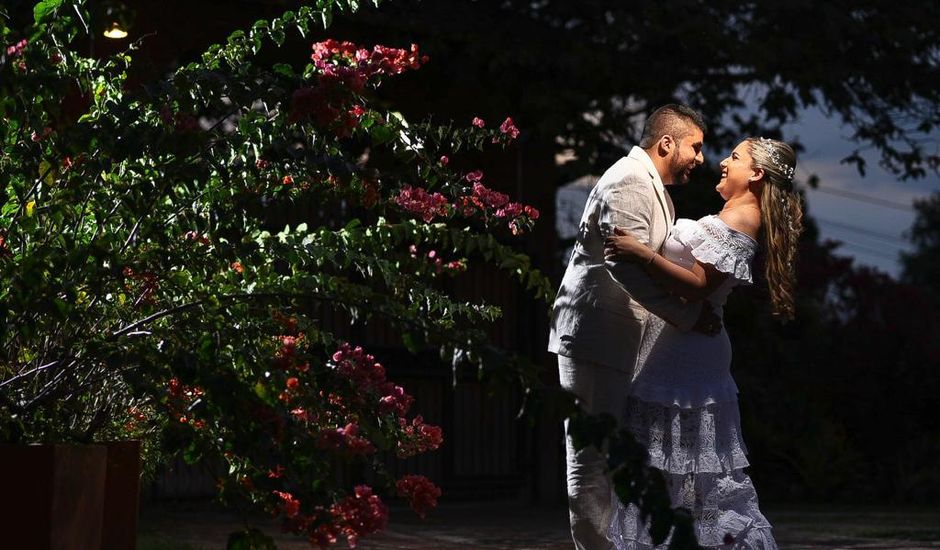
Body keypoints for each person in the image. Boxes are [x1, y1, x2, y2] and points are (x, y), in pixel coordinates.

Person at [604, 137, 803, 549]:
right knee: (664, 470)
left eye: (734, 157)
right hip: (677, 345)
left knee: (696, 475)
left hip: (691, 356)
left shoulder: (744, 218)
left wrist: (640, 253)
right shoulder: (731, 213)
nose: (722, 163)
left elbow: (696, 286)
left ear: (757, 173)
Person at [548, 104, 721, 550]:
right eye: (695, 147)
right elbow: (624, 265)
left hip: (615, 339)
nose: (702, 158)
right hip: (595, 337)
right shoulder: (628, 179)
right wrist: (684, 314)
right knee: (590, 457)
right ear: (667, 143)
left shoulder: (650, 184)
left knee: (612, 455)